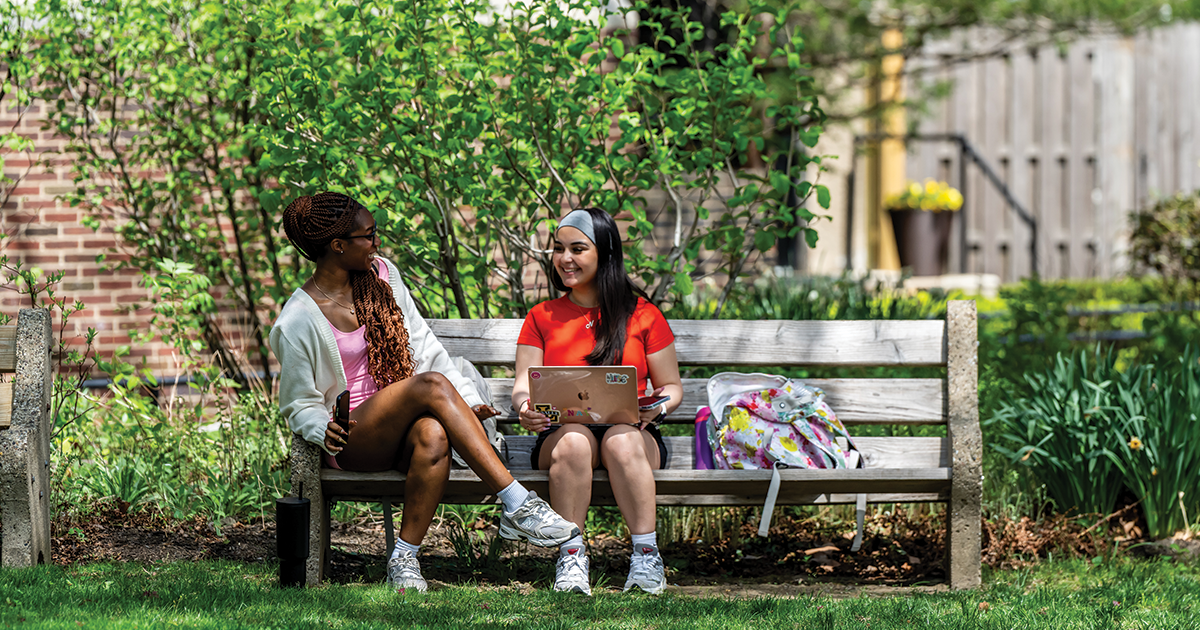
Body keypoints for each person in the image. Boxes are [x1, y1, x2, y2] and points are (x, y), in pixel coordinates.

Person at [270, 191, 579, 593]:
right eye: (368, 235)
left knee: (433, 434)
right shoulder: (297, 319)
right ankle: (517, 503)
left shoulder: (382, 276)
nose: (376, 243)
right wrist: (317, 427)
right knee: (429, 387)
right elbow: (298, 403)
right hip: (353, 438)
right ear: (337, 245)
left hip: (406, 420)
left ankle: (404, 559)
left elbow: (425, 347)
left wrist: (467, 400)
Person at [511, 207, 683, 595]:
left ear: (604, 254)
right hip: (562, 435)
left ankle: (646, 557)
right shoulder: (542, 316)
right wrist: (525, 408)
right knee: (573, 440)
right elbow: (523, 384)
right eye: (558, 249)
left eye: (577, 249)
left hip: (634, 434)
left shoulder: (642, 314)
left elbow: (672, 385)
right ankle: (571, 557)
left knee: (620, 439)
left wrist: (657, 406)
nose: (564, 259)